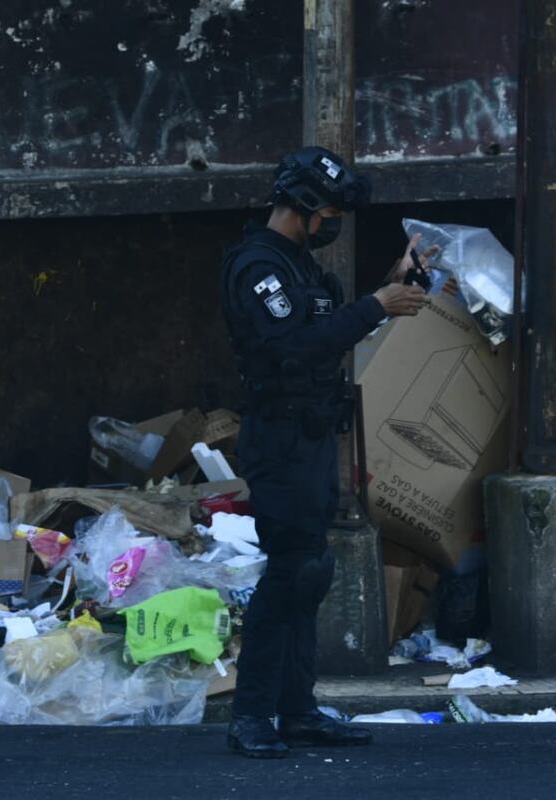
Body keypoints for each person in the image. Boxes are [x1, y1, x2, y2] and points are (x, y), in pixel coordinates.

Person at [220, 146, 429, 758]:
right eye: (331, 212)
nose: (334, 222)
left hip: (311, 436)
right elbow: (294, 345)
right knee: (290, 571)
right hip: (278, 438)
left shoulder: (302, 266)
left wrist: (391, 285)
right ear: (306, 205)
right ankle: (250, 715)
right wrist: (375, 306)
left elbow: (330, 328)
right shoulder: (257, 266)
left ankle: (298, 710)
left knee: (311, 573)